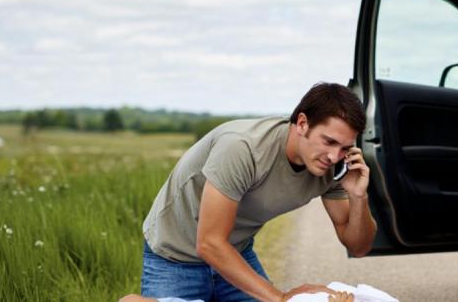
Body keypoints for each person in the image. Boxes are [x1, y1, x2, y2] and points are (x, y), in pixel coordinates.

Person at [140, 82, 377, 302]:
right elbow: (209, 243)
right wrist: (282, 298)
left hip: (235, 252)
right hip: (174, 258)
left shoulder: (336, 166)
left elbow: (358, 247)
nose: (334, 156)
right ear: (302, 124)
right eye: (329, 142)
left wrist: (359, 197)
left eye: (345, 147)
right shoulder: (242, 148)